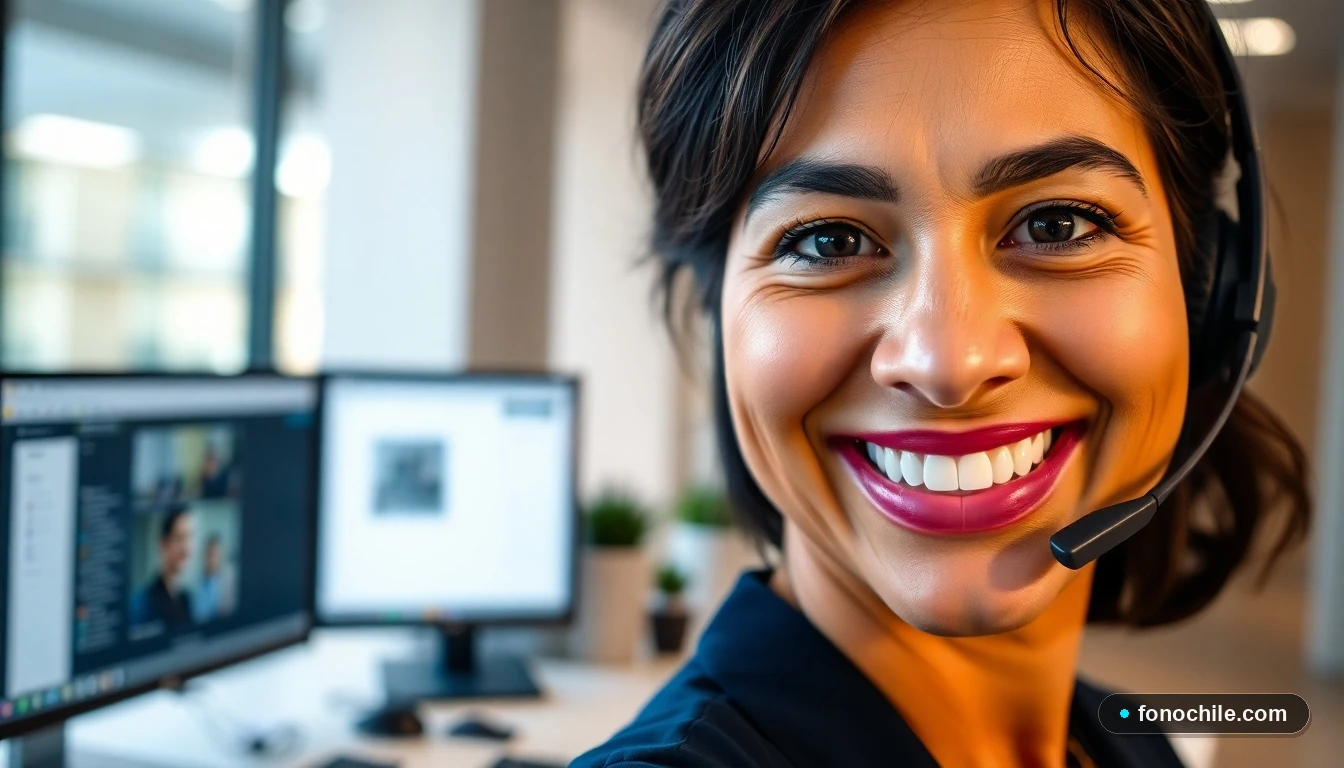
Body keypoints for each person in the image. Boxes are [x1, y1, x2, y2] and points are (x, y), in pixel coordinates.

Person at [573, 1, 1311, 767]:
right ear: (720, 316)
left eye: (1057, 224)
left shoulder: (1130, 743)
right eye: (829, 240)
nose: (947, 363)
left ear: (1213, 296)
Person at [130, 504, 195, 631]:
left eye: (189, 538)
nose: (186, 549)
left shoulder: (187, 599)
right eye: (179, 538)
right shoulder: (142, 605)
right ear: (163, 545)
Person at [193, 534, 237, 623]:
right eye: (209, 555)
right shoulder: (197, 587)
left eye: (215, 555)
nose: (212, 560)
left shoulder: (228, 584)